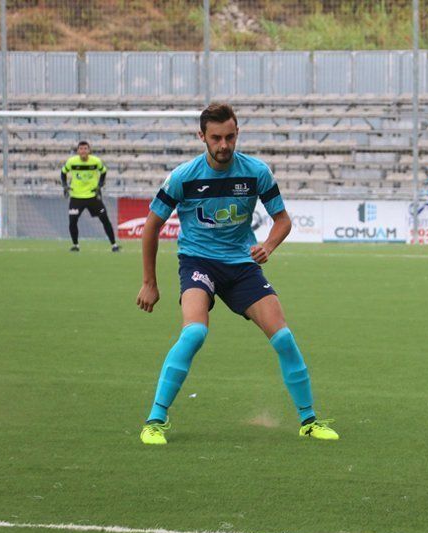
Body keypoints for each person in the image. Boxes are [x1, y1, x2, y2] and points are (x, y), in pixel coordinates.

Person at [135, 103, 338, 445]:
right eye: (216, 138)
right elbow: (151, 227)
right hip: (198, 262)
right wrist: (149, 282)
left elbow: (283, 220)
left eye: (230, 136)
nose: (224, 145)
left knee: (284, 338)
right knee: (194, 333)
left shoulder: (256, 172)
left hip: (242, 265)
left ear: (237, 133)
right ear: (202, 137)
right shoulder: (183, 176)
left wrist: (269, 246)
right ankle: (155, 419)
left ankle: (309, 420)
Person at [60, 141, 119, 252]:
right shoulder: (71, 162)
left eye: (85, 148)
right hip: (76, 196)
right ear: (77, 151)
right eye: (81, 149)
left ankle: (114, 245)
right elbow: (63, 172)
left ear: (89, 150)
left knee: (105, 219)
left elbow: (103, 172)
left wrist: (100, 185)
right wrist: (65, 186)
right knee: (72, 221)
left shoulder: (96, 161)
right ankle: (75, 245)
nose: (83, 151)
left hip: (92, 196)